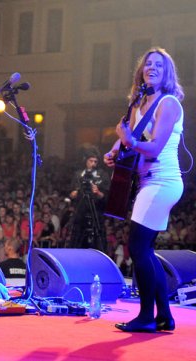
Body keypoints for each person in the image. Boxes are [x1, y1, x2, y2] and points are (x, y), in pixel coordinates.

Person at [104, 47, 184, 333]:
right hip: (149, 183)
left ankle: (146, 317)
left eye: (158, 65)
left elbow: (154, 147)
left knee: (137, 247)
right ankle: (164, 316)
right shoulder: (139, 105)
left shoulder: (169, 103)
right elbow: (131, 138)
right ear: (141, 71)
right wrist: (114, 150)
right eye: (148, 64)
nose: (151, 68)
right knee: (145, 250)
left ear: (167, 73)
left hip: (163, 182)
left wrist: (128, 140)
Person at [69, 153, 108, 251]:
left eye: (95, 161)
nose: (93, 164)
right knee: (77, 236)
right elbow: (70, 193)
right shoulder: (78, 175)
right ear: (86, 161)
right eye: (91, 161)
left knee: (97, 237)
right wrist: (73, 194)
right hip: (81, 210)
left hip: (96, 211)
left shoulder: (103, 175)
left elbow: (106, 196)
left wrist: (98, 192)